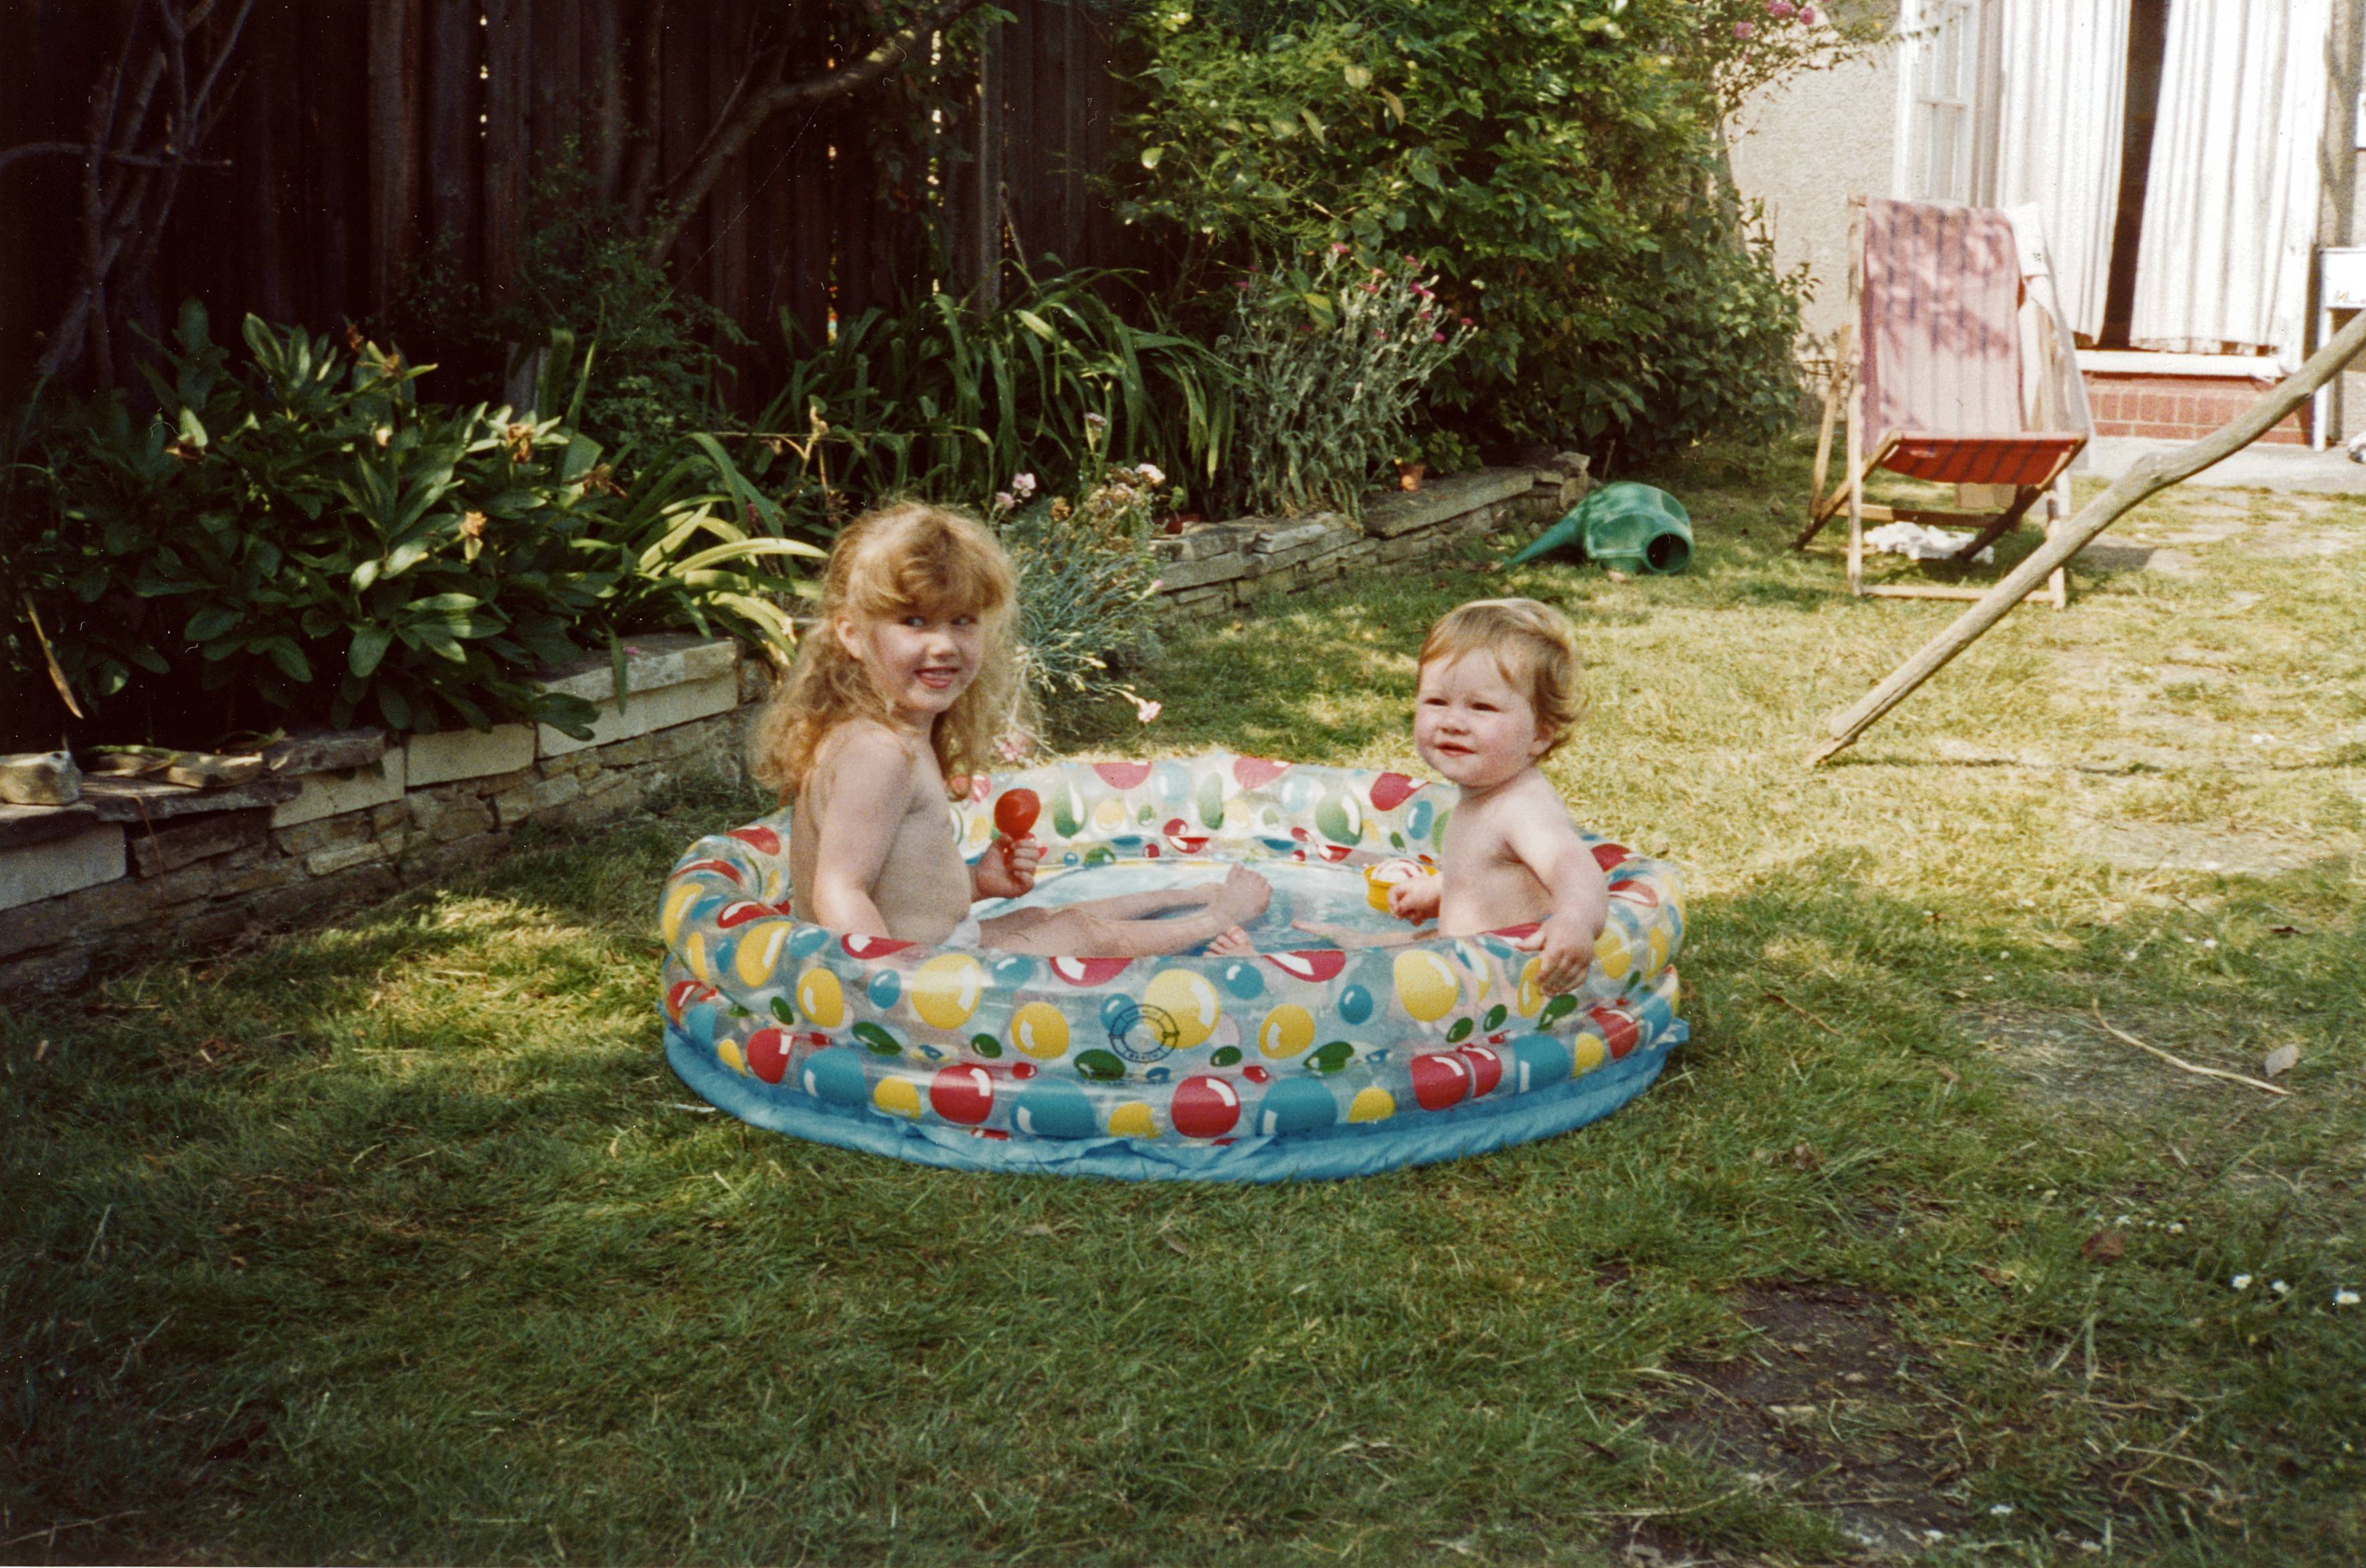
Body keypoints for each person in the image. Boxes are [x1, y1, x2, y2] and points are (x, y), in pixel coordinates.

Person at [749, 502, 1268, 957]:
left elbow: (901, 887)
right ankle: (1218, 919)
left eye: (962, 621)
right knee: (1082, 934)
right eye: (915, 621)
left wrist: (977, 883)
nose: (943, 645)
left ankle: (1185, 895)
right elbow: (838, 892)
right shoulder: (877, 752)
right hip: (915, 979)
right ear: (851, 634)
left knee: (1043, 919)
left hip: (937, 948)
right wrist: (895, 992)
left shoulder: (889, 733)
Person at [1293, 597, 1607, 993]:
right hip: (1461, 963)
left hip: (1497, 992)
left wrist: (1575, 920)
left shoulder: (1522, 807)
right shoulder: (1485, 796)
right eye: (1437, 701)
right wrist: (1442, 889)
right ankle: (1357, 948)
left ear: (1540, 735)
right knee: (1364, 949)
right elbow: (1494, 873)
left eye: (1482, 707)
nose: (1453, 722)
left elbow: (1572, 864)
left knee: (1337, 990)